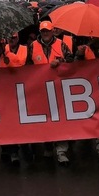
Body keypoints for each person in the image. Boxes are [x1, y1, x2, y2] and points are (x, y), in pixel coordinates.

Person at [27, 21, 73, 165]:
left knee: (60, 119)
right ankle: (47, 146)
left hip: (59, 88)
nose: (45, 33)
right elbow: (27, 67)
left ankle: (61, 151)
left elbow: (72, 63)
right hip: (40, 89)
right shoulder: (32, 46)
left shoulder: (62, 45)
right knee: (45, 119)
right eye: (43, 31)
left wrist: (62, 61)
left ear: (53, 31)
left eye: (48, 31)